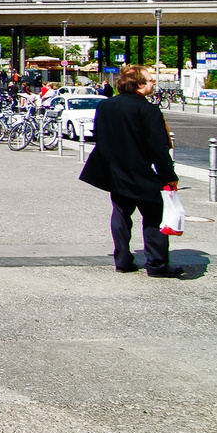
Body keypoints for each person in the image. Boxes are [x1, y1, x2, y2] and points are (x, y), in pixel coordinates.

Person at [79, 65, 187, 278]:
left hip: (116, 172)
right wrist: (169, 176)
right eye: (150, 80)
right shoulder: (148, 110)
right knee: (154, 216)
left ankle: (122, 260)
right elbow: (159, 149)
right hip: (142, 173)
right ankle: (157, 264)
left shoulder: (106, 106)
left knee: (120, 213)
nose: (154, 83)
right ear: (139, 84)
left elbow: (99, 136)